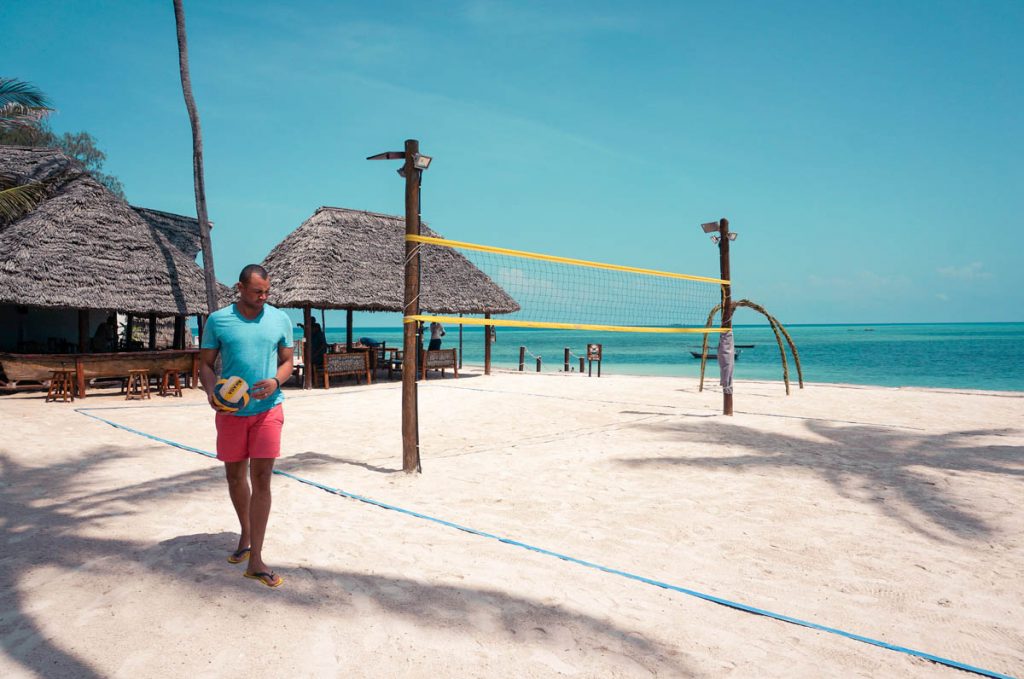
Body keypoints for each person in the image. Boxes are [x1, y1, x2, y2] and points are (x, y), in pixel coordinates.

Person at [200, 264, 294, 589]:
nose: (263, 297)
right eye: (257, 292)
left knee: (263, 480)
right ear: (240, 288)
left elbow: (287, 362)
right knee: (235, 477)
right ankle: (246, 533)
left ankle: (256, 560)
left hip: (268, 410)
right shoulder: (218, 320)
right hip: (230, 413)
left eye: (267, 291)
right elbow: (205, 364)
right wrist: (212, 391)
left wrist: (275, 380)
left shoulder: (280, 319)